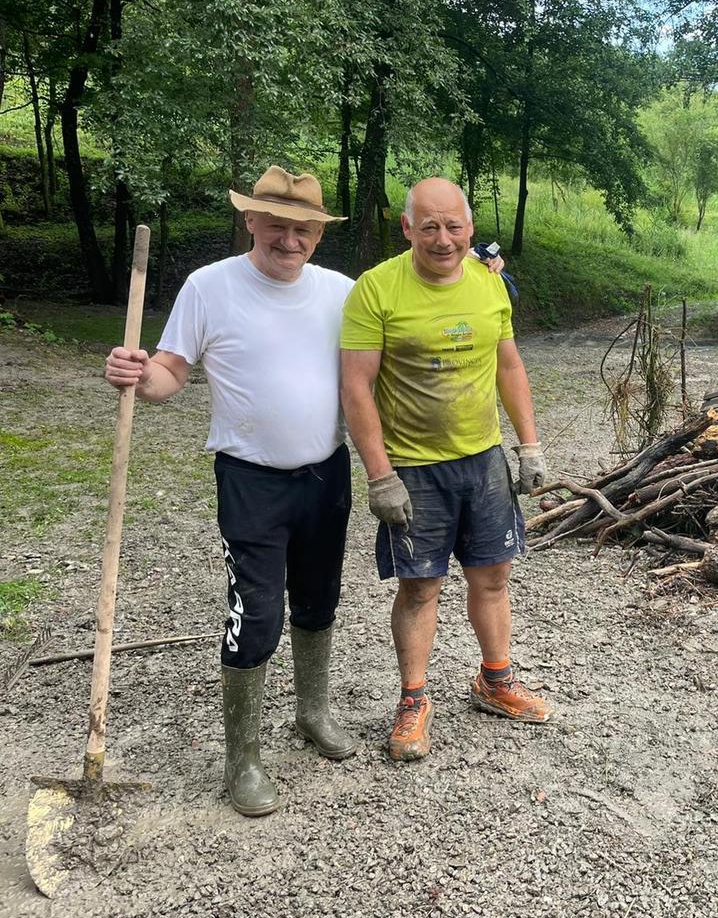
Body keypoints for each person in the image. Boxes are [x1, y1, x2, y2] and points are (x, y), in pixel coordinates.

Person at [103, 167, 506, 814]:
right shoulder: (210, 288)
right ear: (251, 223)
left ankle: (311, 714)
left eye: (305, 229)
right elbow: (170, 372)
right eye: (278, 225)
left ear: (318, 234)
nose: (290, 239)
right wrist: (136, 373)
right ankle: (243, 760)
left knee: (319, 601)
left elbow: (390, 353)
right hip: (250, 480)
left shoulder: (342, 293)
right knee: (257, 615)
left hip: (326, 476)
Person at [340, 177, 549, 762]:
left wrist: (528, 445)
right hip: (414, 468)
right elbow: (355, 387)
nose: (443, 238)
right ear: (407, 228)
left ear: (470, 228)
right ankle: (412, 700)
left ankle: (496, 681)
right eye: (428, 225)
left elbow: (508, 364)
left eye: (453, 225)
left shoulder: (490, 286)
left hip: (482, 460)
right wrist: (380, 475)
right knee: (420, 586)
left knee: (492, 577)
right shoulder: (376, 290)